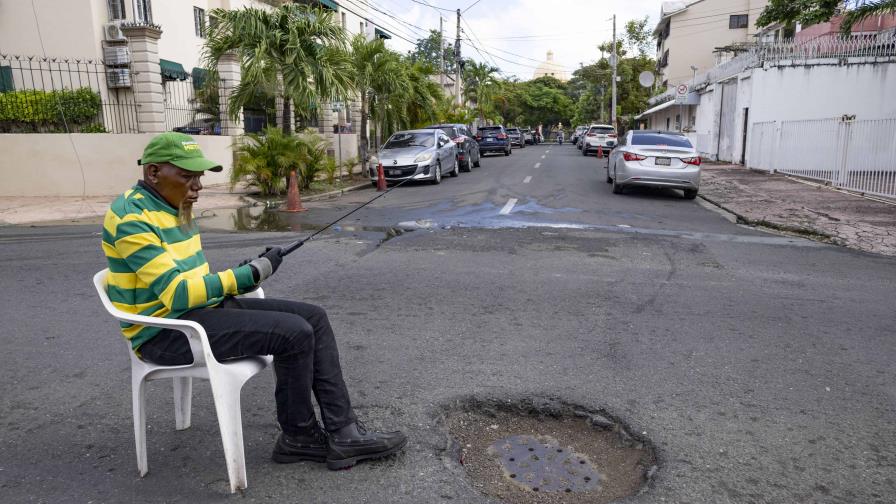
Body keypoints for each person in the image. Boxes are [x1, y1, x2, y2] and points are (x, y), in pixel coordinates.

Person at [101, 132, 407, 470]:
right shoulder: (132, 217)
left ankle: (345, 431)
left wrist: (245, 271)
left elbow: (193, 281)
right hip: (165, 334)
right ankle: (298, 437)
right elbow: (176, 294)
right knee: (294, 333)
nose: (197, 186)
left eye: (199, 177)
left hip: (198, 313)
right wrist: (248, 276)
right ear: (154, 173)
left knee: (314, 318)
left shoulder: (173, 204)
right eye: (187, 177)